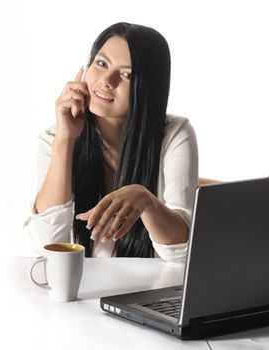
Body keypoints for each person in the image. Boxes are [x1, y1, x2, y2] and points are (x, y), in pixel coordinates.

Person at [23, 22, 198, 263]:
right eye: (101, 63)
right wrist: (66, 139)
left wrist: (147, 201)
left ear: (147, 87)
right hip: (83, 290)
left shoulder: (174, 134)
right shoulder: (54, 138)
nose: (107, 80)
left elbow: (182, 251)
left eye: (126, 75)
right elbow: (46, 246)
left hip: (151, 291)